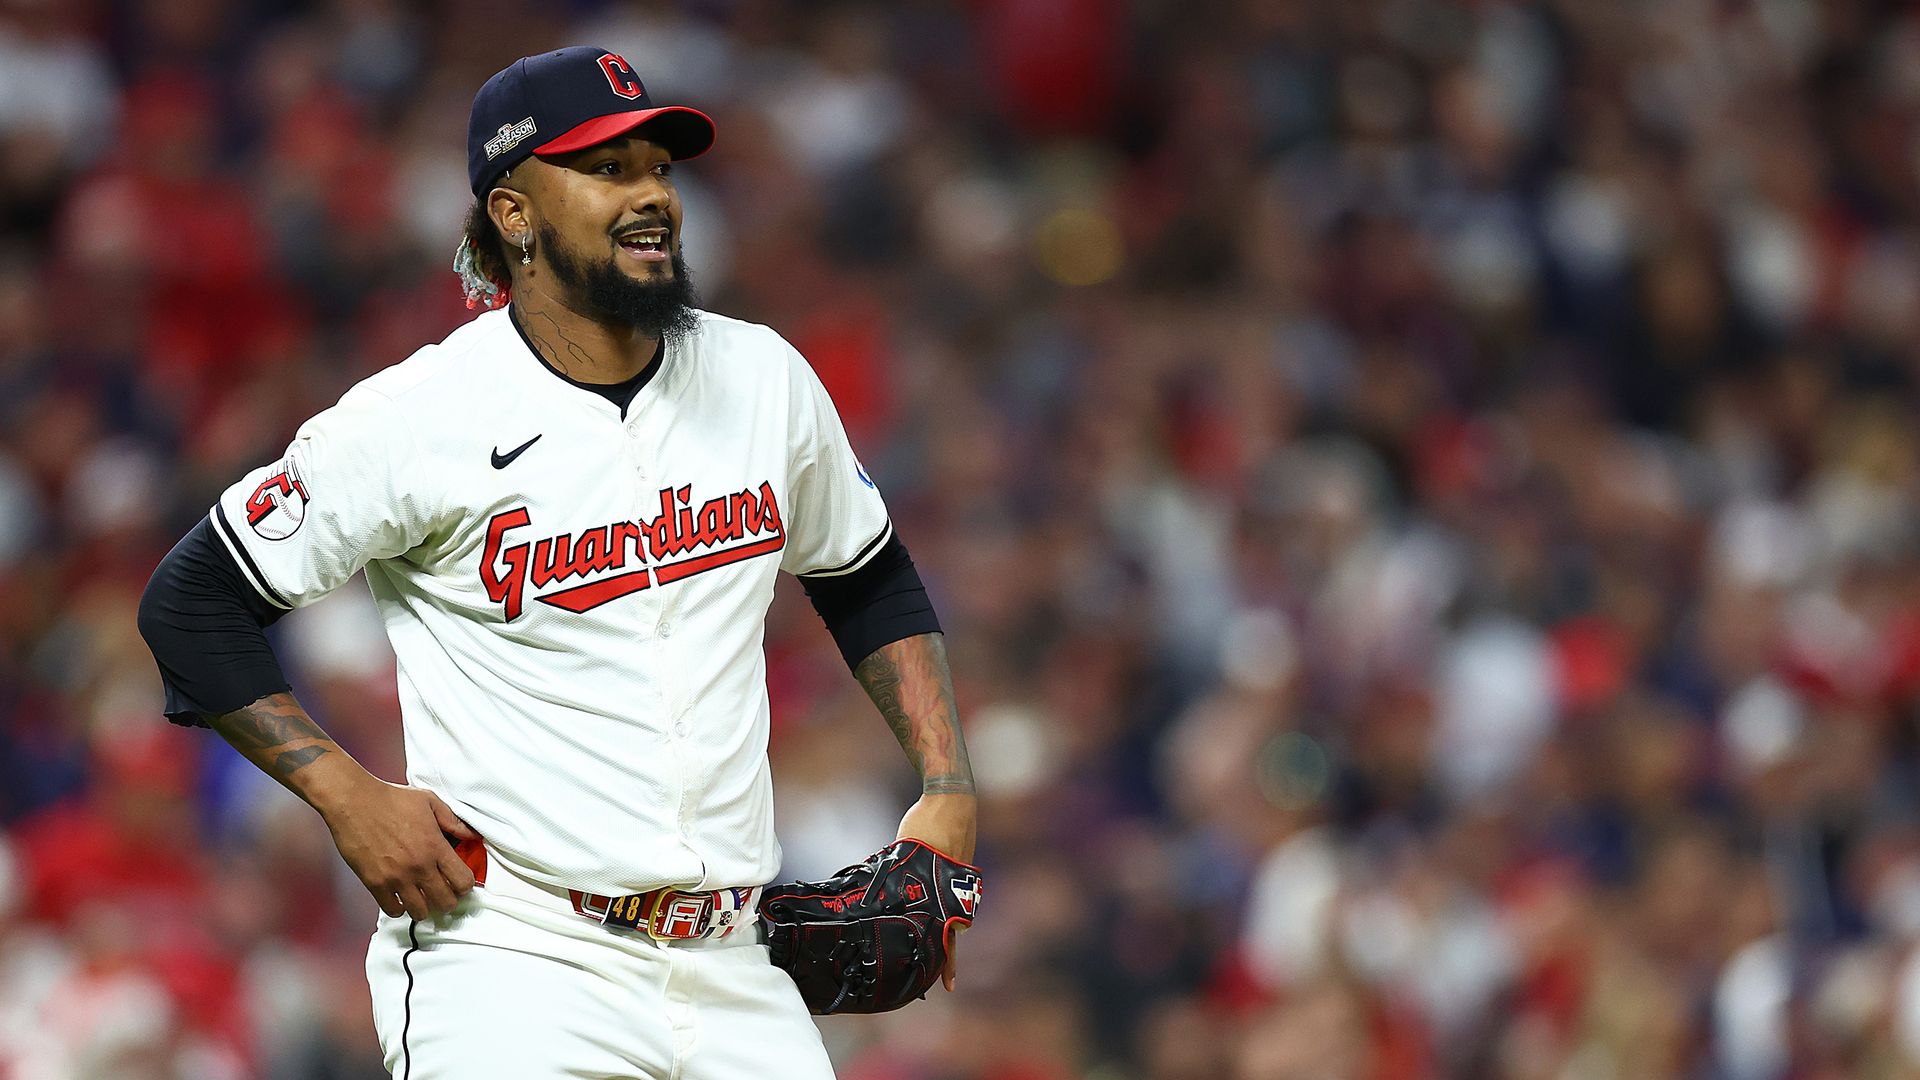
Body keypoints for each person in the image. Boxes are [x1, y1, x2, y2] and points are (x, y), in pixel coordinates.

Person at [136, 46, 975, 1079]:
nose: (652, 196)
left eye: (657, 167)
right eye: (606, 169)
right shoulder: (421, 417)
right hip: (513, 959)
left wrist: (945, 782)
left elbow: (863, 572)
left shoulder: (763, 377)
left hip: (733, 962)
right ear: (514, 215)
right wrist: (350, 798)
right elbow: (192, 599)